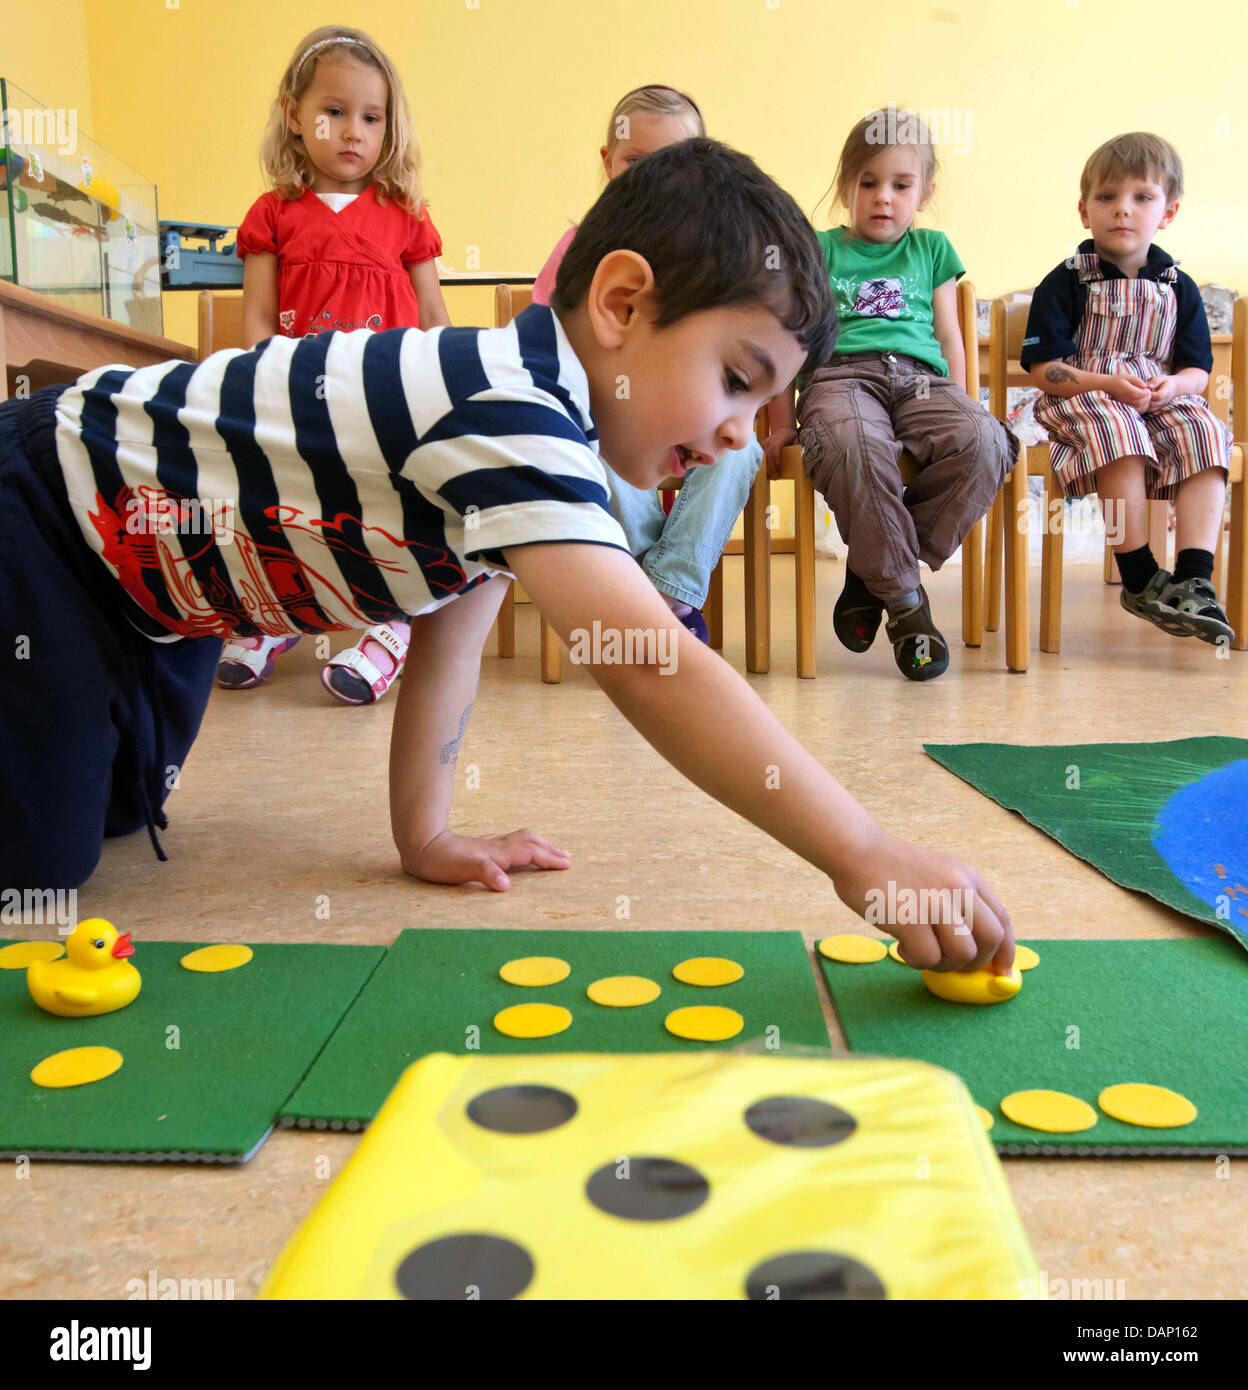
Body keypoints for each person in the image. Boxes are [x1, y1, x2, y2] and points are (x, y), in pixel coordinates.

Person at [0, 138, 1012, 976]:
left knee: (121, 814)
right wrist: (861, 850)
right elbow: (645, 656)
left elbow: (448, 640)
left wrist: (425, 838)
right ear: (621, 304)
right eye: (738, 379)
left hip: (160, 599)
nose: (744, 432)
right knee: (36, 861)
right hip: (48, 515)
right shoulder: (510, 408)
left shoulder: (523, 450)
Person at [221, 24, 452, 703]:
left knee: (389, 507)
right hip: (298, 395)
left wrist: (447, 390)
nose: (354, 131)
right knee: (280, 500)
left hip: (388, 397)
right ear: (294, 114)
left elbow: (434, 317)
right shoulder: (272, 215)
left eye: (372, 118)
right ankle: (273, 616)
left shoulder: (407, 216)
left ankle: (390, 626)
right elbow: (259, 321)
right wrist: (265, 387)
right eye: (334, 112)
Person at [765, 109, 1017, 680]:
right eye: (868, 183)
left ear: (924, 192)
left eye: (900, 185)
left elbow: (952, 336)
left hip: (921, 378)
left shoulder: (932, 250)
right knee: (852, 445)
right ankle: (906, 606)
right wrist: (781, 423)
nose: (883, 198)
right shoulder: (818, 249)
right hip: (840, 376)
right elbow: (788, 341)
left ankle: (871, 571)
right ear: (846, 186)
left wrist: (968, 405)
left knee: (985, 443)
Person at [533, 84, 764, 643]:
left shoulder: (716, 258)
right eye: (636, 162)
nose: (652, 182)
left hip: (689, 411)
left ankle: (663, 595)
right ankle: (655, 599)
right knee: (596, 440)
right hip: (607, 409)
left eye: (673, 166)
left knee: (741, 451)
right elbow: (541, 336)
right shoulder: (578, 248)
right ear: (607, 163)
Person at [1022, 132, 1233, 644]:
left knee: (1205, 427)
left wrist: (1172, 387)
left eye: (1141, 197)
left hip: (1153, 398)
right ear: (1083, 210)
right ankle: (1138, 574)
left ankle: (1194, 578)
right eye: (1107, 197)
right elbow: (1042, 366)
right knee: (1117, 428)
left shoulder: (1178, 286)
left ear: (1168, 212)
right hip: (1083, 397)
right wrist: (1107, 384)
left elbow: (1197, 370)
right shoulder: (1066, 280)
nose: (1122, 210)